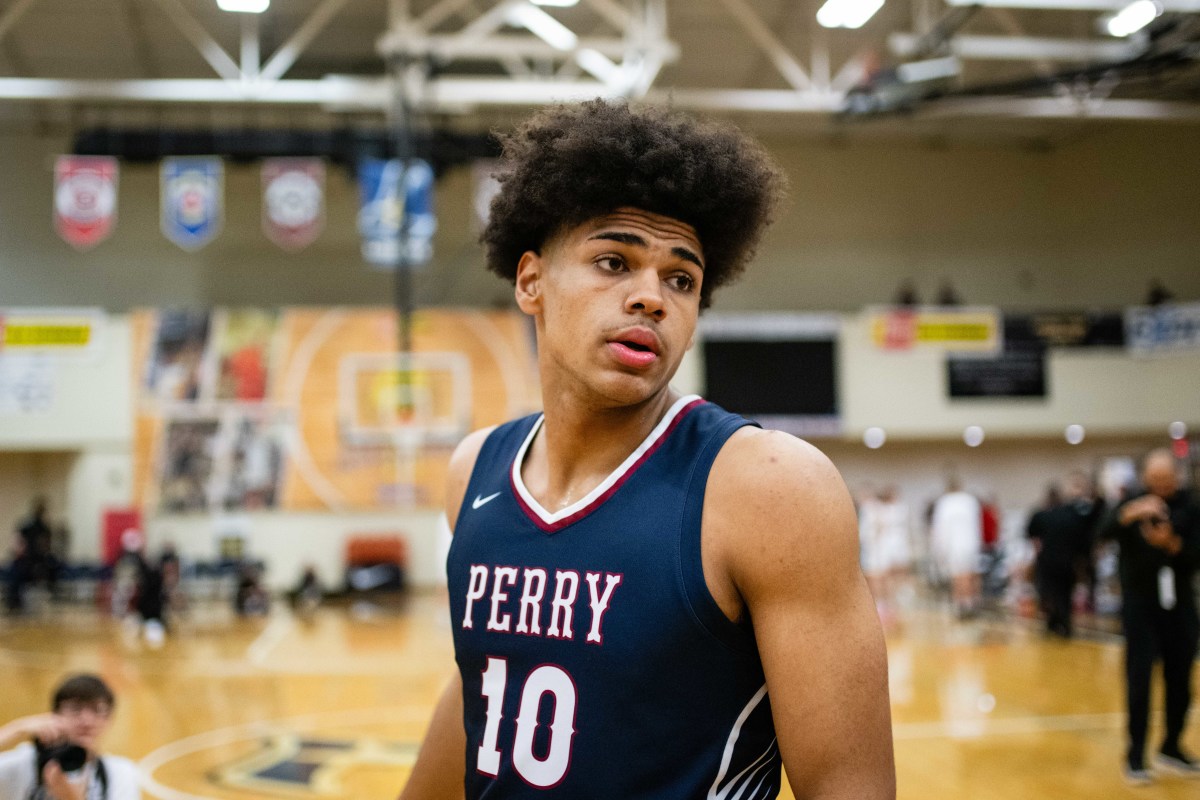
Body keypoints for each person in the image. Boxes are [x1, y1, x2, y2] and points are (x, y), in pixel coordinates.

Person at [398, 100, 894, 799]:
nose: (651, 298)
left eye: (681, 279)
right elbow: (485, 686)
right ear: (531, 280)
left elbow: (850, 787)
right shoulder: (474, 471)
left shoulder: (769, 486)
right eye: (613, 261)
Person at [1100, 449, 1200, 784]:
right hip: (1140, 605)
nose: (1161, 486)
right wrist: (1129, 514)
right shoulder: (1131, 502)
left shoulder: (1191, 505)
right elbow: (1099, 533)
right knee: (1139, 680)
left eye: (1167, 479)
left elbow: (1195, 555)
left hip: (1180, 604)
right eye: (1155, 480)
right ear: (1145, 478)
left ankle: (1172, 745)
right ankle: (1136, 754)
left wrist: (1171, 543)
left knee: (1181, 679)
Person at [0, 674, 139, 799]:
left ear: (109, 719)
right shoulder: (25, 762)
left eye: (97, 710)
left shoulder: (120, 772)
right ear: (55, 715)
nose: (87, 721)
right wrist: (16, 729)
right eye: (75, 709)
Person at [1027, 472, 1102, 638]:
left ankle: (1054, 622)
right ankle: (1062, 623)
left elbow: (1031, 535)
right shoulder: (1074, 516)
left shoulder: (1043, 515)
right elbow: (1085, 539)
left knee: (1049, 592)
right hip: (1066, 561)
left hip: (1049, 560)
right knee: (1063, 594)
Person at [930, 477, 983, 618]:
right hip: (971, 543)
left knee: (959, 575)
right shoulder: (970, 501)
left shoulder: (945, 503)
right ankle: (973, 601)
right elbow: (978, 525)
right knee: (972, 574)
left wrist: (939, 551)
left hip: (955, 545)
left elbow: (940, 530)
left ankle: (962, 604)